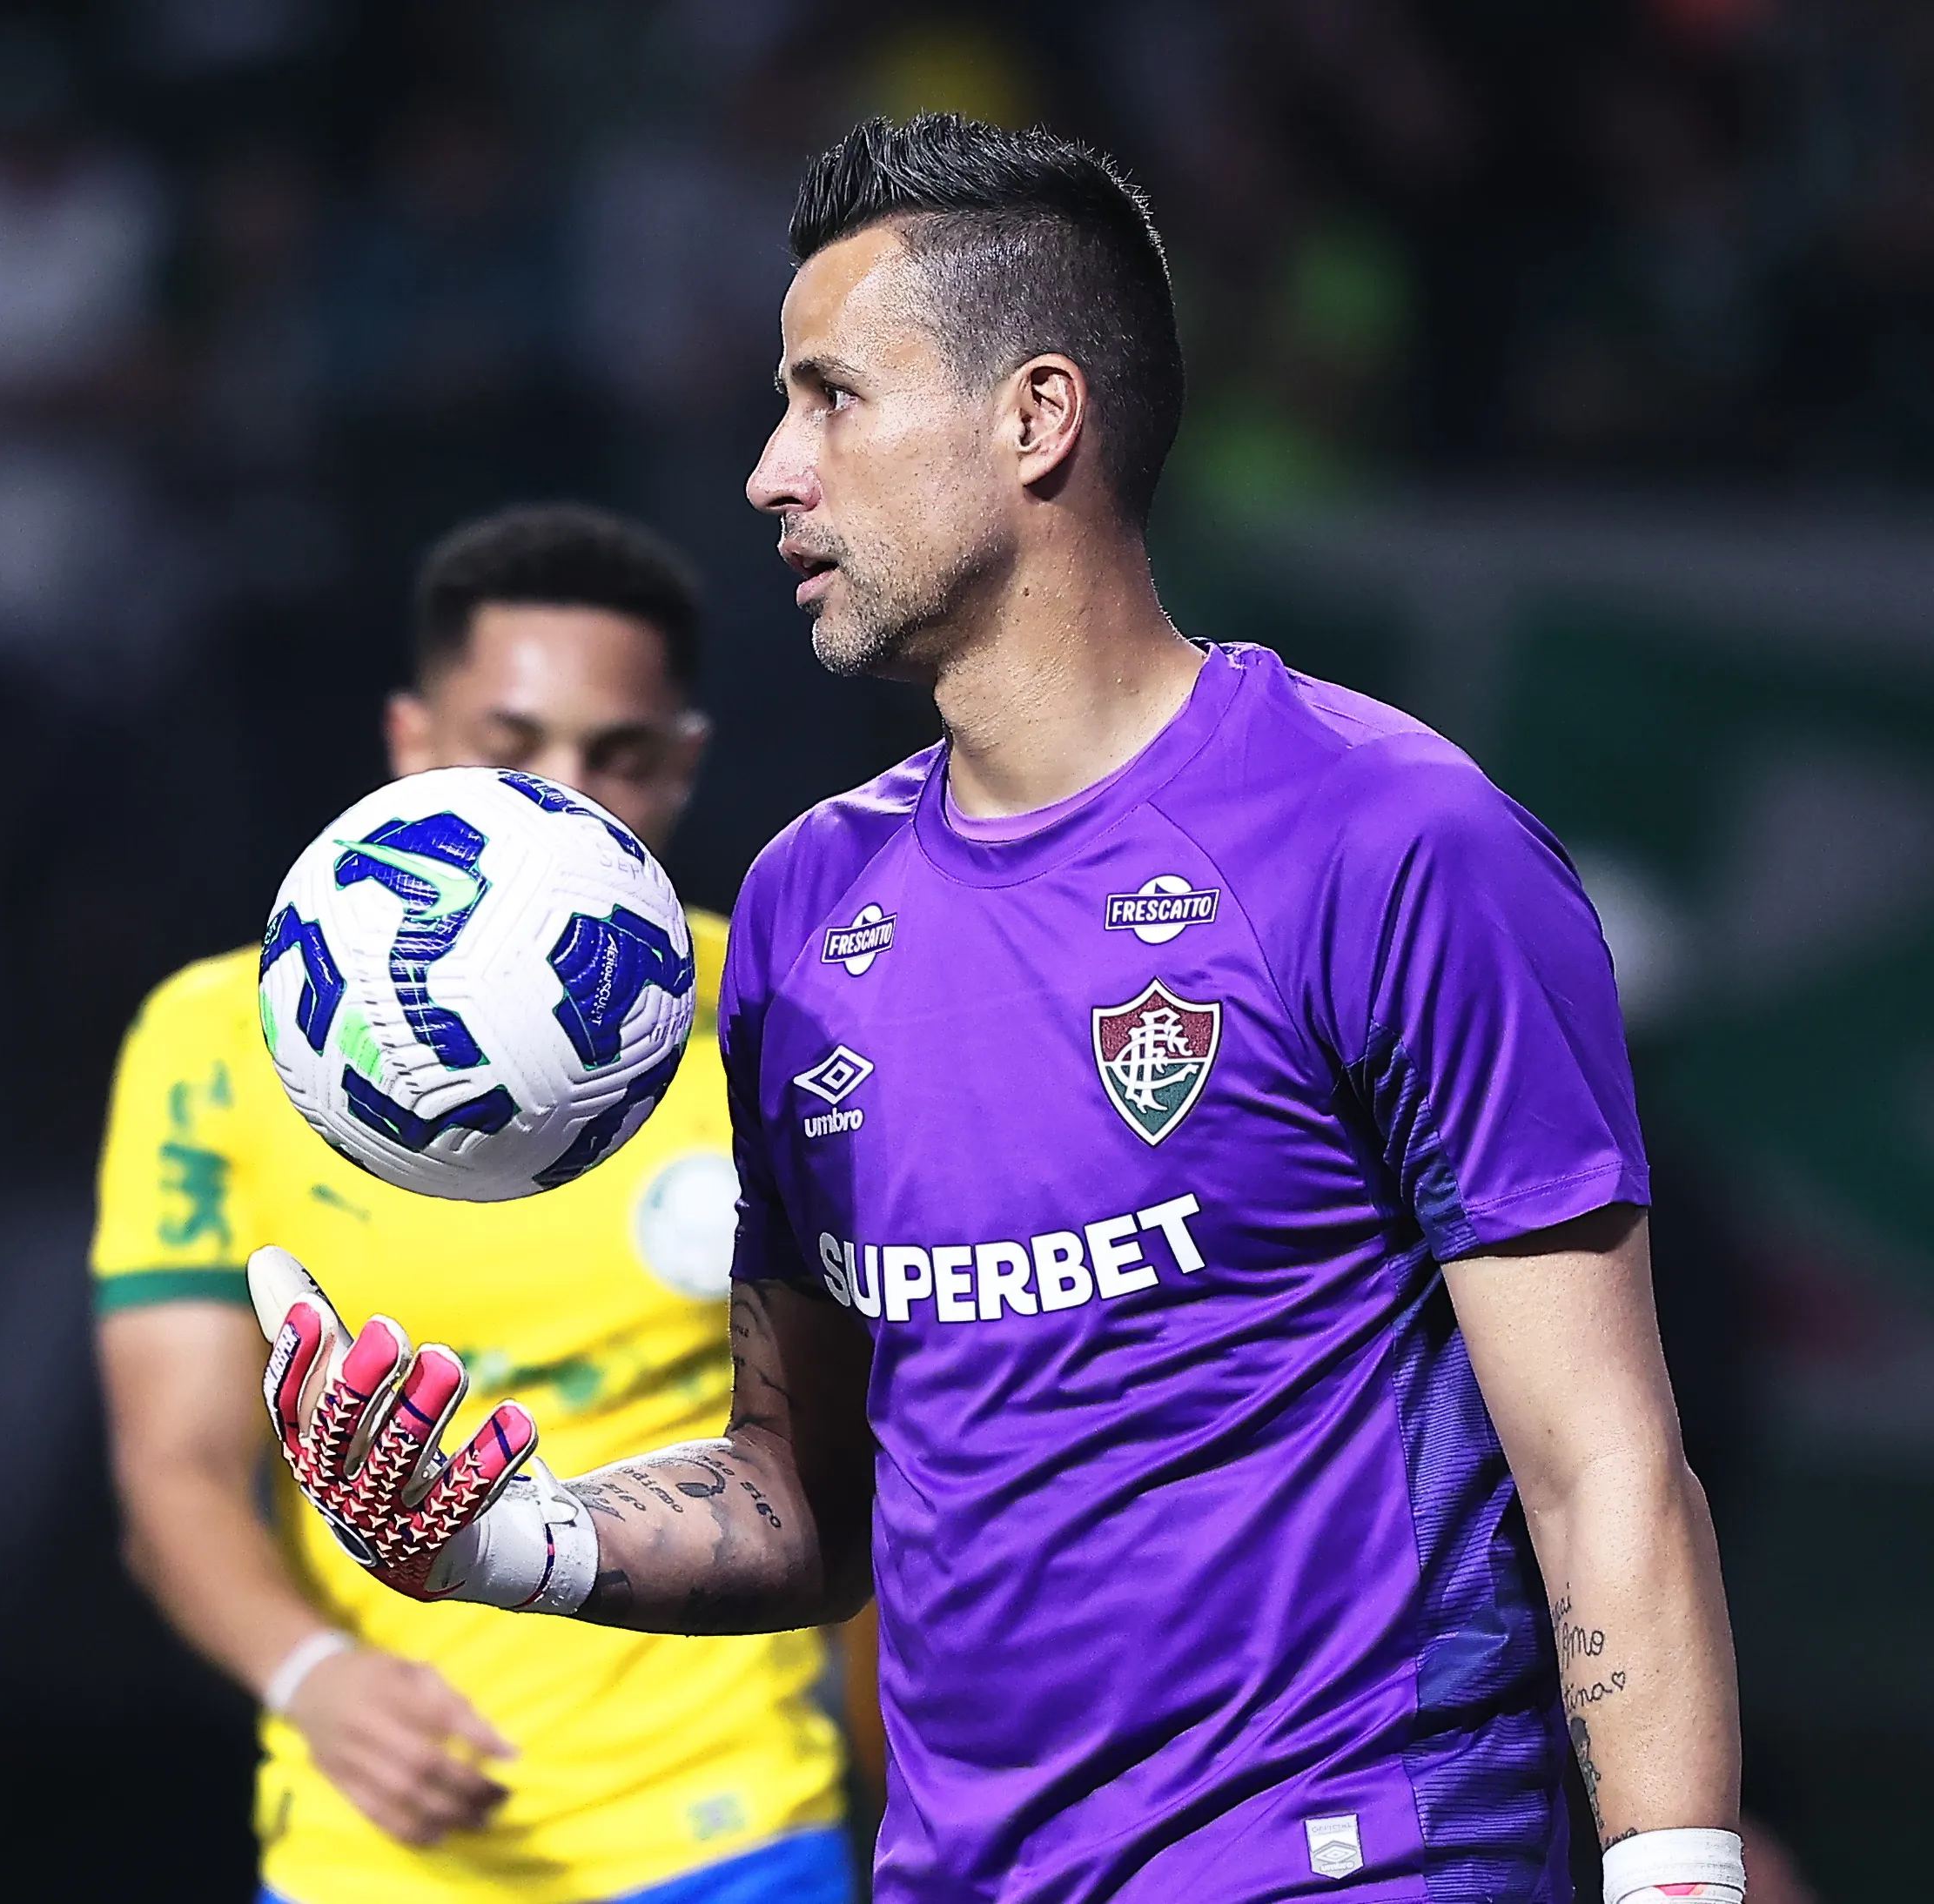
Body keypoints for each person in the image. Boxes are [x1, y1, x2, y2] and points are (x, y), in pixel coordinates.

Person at [249, 118, 1749, 1904]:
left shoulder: (1388, 842)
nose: (763, 473)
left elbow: (1599, 1463)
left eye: (827, 399)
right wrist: (503, 1536)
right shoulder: (803, 915)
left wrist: (1675, 1880)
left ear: (1035, 418)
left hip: (1346, 1860)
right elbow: (802, 1497)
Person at [94, 504, 856, 1904]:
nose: (563, 801)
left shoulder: (785, 1026)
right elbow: (175, 1464)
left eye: (616, 757)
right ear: (407, 745)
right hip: (372, 1852)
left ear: (684, 766)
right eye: (512, 749)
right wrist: (308, 1669)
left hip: (730, 1831)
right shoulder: (215, 1040)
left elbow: (847, 1478)